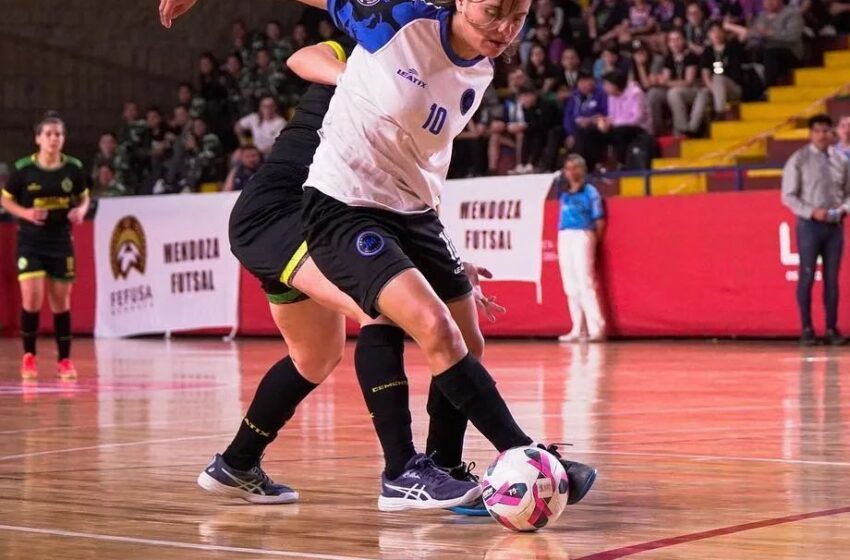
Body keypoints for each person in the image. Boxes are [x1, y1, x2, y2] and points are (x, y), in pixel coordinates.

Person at [158, 0, 596, 509]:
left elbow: (416, 168)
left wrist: (444, 255)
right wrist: (355, 76)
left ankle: (237, 463)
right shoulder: (383, 33)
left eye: (516, 18)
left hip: (383, 209)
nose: (504, 27)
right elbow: (302, 58)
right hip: (288, 209)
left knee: (316, 357)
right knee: (386, 310)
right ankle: (405, 470)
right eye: (493, 11)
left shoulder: (467, 65)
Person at [0, 113, 90, 379]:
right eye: (48, 134)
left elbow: (84, 198)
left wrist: (81, 211)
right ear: (38, 138)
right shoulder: (24, 169)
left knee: (61, 303)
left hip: (60, 241)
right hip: (30, 241)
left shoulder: (73, 168)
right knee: (32, 299)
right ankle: (29, 357)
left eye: (58, 134)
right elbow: (6, 200)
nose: (54, 139)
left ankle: (64, 360)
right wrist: (26, 214)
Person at [781, 114, 849, 346]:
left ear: (831, 133)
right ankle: (807, 328)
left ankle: (831, 328)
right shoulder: (798, 159)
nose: (821, 135)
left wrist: (842, 209)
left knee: (832, 279)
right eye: (817, 131)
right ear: (811, 134)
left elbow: (849, 192)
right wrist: (811, 211)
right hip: (810, 225)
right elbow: (788, 195)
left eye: (825, 131)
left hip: (834, 226)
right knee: (807, 276)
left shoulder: (841, 160)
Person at [555, 155, 607, 342]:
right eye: (568, 168)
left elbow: (599, 219)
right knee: (570, 284)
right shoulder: (565, 193)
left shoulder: (590, 192)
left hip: (582, 233)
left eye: (575, 168)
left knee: (585, 281)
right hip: (565, 234)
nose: (571, 172)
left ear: (582, 170)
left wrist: (593, 239)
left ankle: (597, 327)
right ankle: (578, 328)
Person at [661, 29, 707, 137]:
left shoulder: (690, 56)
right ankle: (677, 129)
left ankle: (683, 129)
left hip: (695, 89)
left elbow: (688, 81)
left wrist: (667, 82)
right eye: (671, 40)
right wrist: (663, 81)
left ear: (683, 41)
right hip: (678, 89)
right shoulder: (669, 58)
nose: (675, 43)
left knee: (673, 93)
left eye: (678, 39)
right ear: (668, 43)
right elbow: (665, 77)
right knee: (657, 93)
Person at [700, 22, 744, 119]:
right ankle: (691, 128)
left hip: (734, 87)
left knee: (718, 77)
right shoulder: (707, 51)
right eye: (713, 31)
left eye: (719, 31)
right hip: (715, 89)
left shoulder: (732, 46)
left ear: (724, 33)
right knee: (703, 93)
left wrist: (728, 26)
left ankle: (720, 112)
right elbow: (706, 75)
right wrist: (715, 90)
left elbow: (744, 33)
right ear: (709, 35)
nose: (716, 34)